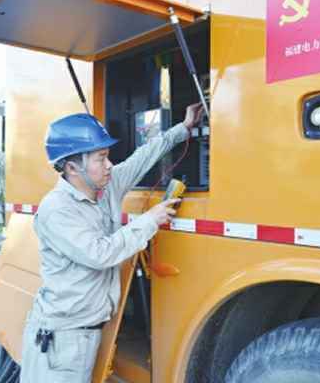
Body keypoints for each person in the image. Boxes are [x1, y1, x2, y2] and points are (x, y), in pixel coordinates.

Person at [20, 103, 204, 382]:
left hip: (86, 331)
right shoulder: (57, 210)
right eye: (101, 158)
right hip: (62, 338)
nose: (110, 165)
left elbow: (142, 157)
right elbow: (100, 254)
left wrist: (184, 128)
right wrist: (150, 219)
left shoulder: (105, 186)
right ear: (72, 167)